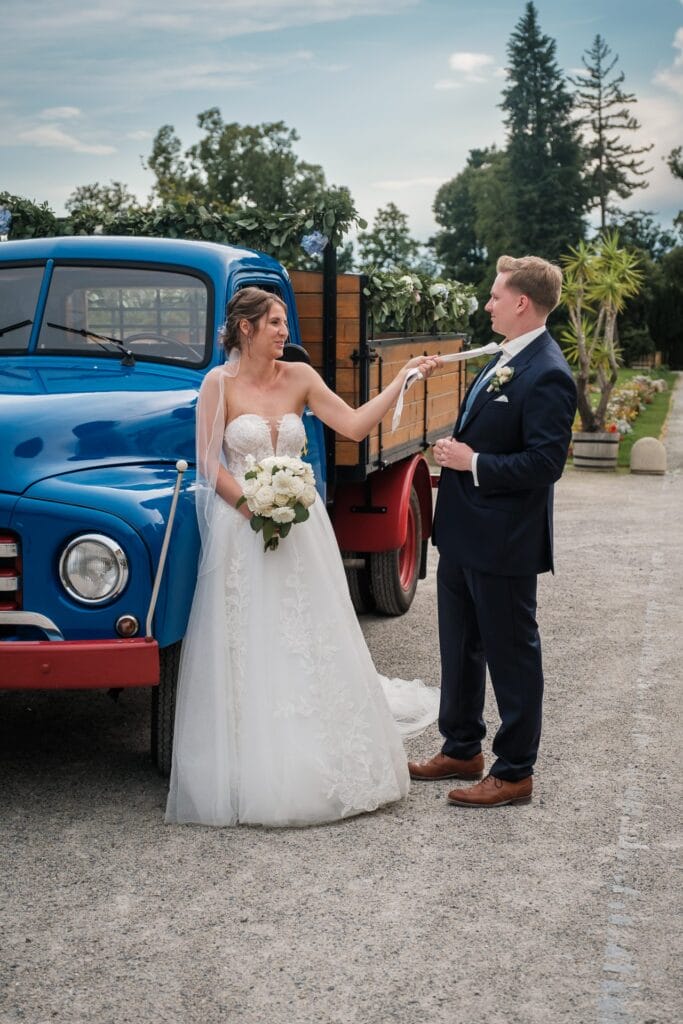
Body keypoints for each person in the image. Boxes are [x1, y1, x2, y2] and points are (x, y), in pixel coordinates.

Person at [166, 287, 440, 827]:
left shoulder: (301, 378)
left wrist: (400, 383)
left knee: (310, 631)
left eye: (284, 322)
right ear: (245, 328)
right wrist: (251, 505)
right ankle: (254, 761)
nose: (284, 331)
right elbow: (206, 462)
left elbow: (356, 426)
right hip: (243, 529)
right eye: (274, 322)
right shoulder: (216, 384)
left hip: (301, 530)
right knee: (251, 639)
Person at [408, 255, 577, 807]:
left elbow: (544, 464)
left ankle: (515, 770)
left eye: (495, 296)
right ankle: (461, 747)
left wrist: (471, 462)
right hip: (463, 534)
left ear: (522, 302)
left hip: (505, 541)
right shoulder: (504, 358)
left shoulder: (548, 371)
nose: (488, 304)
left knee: (511, 652)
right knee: (459, 646)